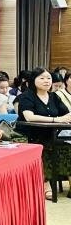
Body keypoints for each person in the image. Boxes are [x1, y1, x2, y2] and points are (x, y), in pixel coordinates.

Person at [16, 67, 71, 198]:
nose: (46, 81)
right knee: (44, 148)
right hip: (30, 135)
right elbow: (29, 117)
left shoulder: (54, 97)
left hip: (51, 134)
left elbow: (66, 114)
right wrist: (55, 119)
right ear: (32, 80)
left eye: (49, 78)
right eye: (42, 78)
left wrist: (66, 118)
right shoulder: (26, 97)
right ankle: (46, 184)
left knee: (68, 149)